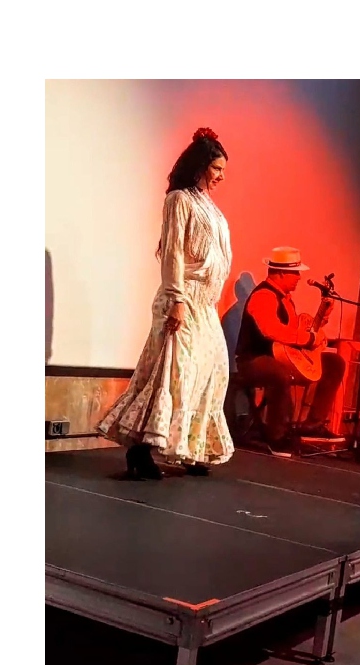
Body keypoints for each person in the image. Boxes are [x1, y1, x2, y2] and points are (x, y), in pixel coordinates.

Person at [97, 127, 234, 478]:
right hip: (183, 298)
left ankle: (191, 446)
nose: (221, 176)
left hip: (204, 304)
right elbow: (173, 252)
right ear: (200, 166)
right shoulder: (179, 200)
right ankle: (140, 450)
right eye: (217, 168)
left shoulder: (211, 207)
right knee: (174, 374)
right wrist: (177, 299)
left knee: (212, 370)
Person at [235, 247, 346, 452]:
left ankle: (313, 425)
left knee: (334, 363)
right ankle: (276, 436)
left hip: (281, 356)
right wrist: (308, 339)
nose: (299, 277)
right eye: (295, 273)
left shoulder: (285, 299)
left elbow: (294, 332)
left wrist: (323, 315)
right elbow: (271, 330)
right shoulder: (263, 296)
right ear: (280, 273)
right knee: (279, 373)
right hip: (254, 359)